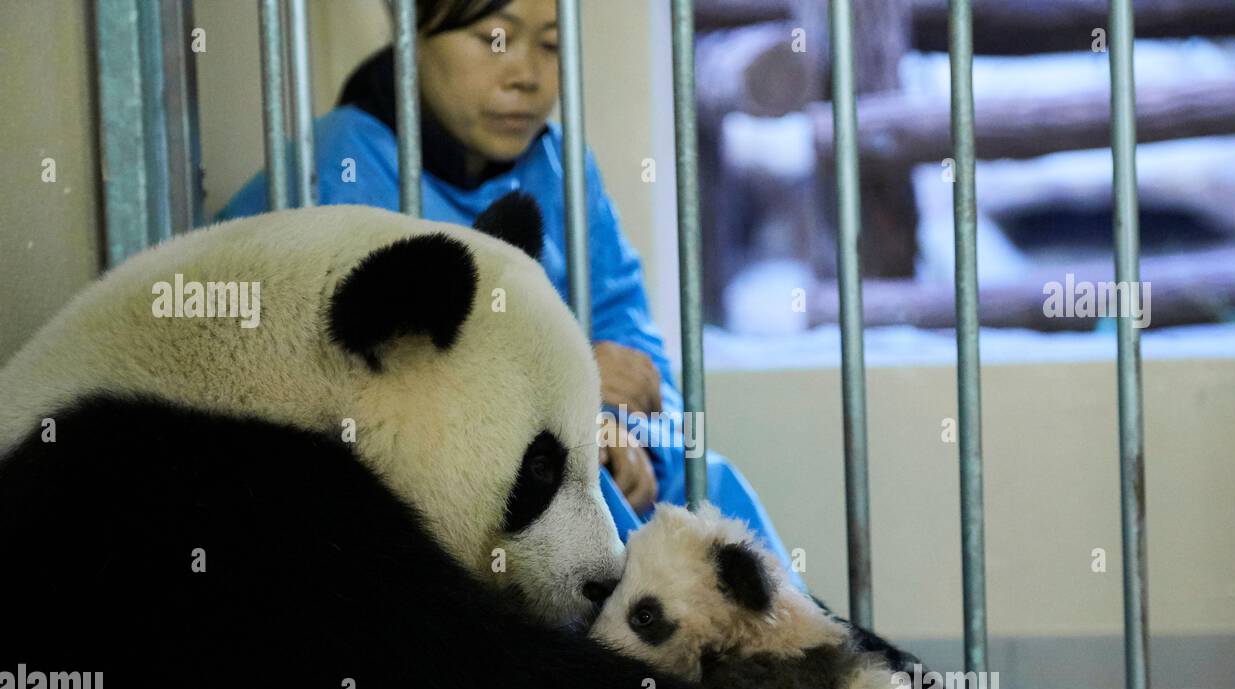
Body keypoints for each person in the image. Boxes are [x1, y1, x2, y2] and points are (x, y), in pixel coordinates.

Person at [219, 0, 800, 582]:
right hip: (389, 504)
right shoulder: (336, 170)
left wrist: (631, 437)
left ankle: (811, 661)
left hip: (558, 465)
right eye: (495, 38)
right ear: (410, 30)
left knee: (708, 484)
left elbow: (632, 345)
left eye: (549, 44)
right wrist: (572, 393)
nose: (525, 73)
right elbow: (373, 402)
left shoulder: (562, 167)